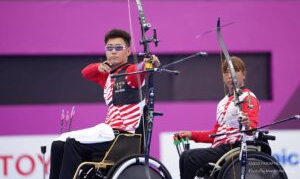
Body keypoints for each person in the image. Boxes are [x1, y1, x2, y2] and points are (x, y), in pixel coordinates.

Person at [49, 29, 160, 179]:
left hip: (121, 136)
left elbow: (139, 69)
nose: (113, 52)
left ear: (128, 51)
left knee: (72, 143)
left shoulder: (131, 74)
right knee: (58, 144)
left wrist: (148, 63)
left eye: (118, 48)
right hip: (107, 132)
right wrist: (98, 67)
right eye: (109, 48)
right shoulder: (107, 75)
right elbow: (85, 72)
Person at [177, 56, 259, 179]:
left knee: (189, 156)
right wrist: (191, 134)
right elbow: (216, 134)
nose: (230, 75)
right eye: (226, 72)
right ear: (223, 77)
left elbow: (252, 126)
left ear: (244, 74)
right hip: (220, 148)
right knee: (184, 156)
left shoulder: (248, 97)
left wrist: (247, 124)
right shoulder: (222, 102)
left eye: (235, 71)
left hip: (235, 147)